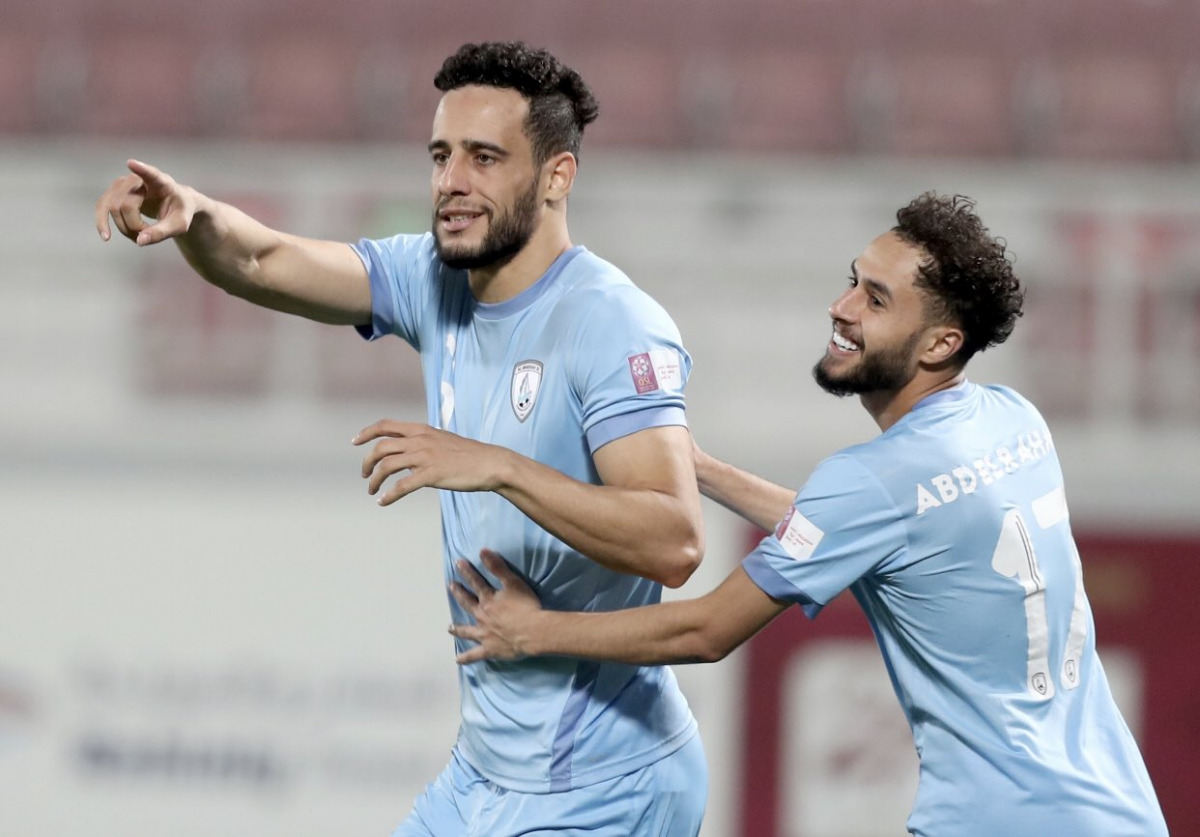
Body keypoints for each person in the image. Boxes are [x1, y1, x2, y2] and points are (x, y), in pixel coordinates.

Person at [95, 41, 708, 837]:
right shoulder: (434, 279)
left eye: (485, 158)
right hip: (484, 775)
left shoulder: (611, 323)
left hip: (606, 783)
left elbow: (675, 539)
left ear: (557, 176)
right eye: (441, 156)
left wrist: (497, 467)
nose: (451, 182)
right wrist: (196, 216)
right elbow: (267, 258)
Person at [449, 193, 1170, 836]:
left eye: (877, 300)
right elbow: (868, 535)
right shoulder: (1014, 423)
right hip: (1121, 808)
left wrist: (534, 631)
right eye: (853, 280)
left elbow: (706, 628)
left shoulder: (873, 480)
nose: (843, 306)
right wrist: (698, 470)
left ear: (941, 343)